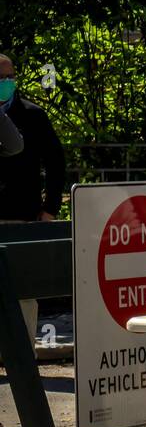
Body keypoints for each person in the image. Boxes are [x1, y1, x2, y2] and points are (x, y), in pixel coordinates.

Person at [0, 52, 65, 344]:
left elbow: (55, 162)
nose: (8, 82)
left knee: (24, 291)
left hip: (23, 214)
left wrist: (50, 207)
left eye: (11, 75)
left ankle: (24, 352)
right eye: (2, 77)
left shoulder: (32, 114)